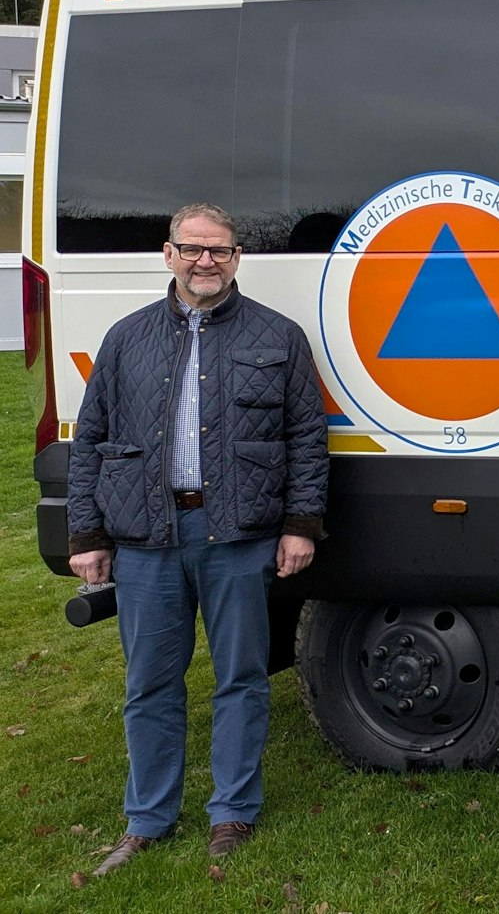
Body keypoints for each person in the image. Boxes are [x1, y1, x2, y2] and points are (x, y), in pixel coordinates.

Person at [68, 203, 328, 875]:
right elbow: (89, 438)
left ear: (237, 257)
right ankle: (147, 819)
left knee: (241, 679)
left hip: (237, 536)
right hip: (145, 538)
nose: (204, 260)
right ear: (168, 252)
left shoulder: (279, 337)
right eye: (192, 248)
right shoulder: (126, 338)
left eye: (218, 250)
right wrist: (86, 533)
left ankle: (232, 810)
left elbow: (306, 438)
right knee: (150, 683)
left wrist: (301, 523)